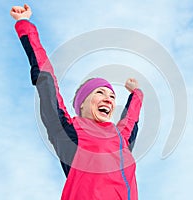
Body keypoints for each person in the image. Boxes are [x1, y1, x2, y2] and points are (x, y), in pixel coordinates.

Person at [10, 4, 143, 200]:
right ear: (82, 104)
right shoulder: (70, 132)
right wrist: (25, 25)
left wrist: (136, 92)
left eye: (112, 96)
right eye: (100, 92)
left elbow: (131, 116)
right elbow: (46, 81)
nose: (108, 98)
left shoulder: (121, 138)